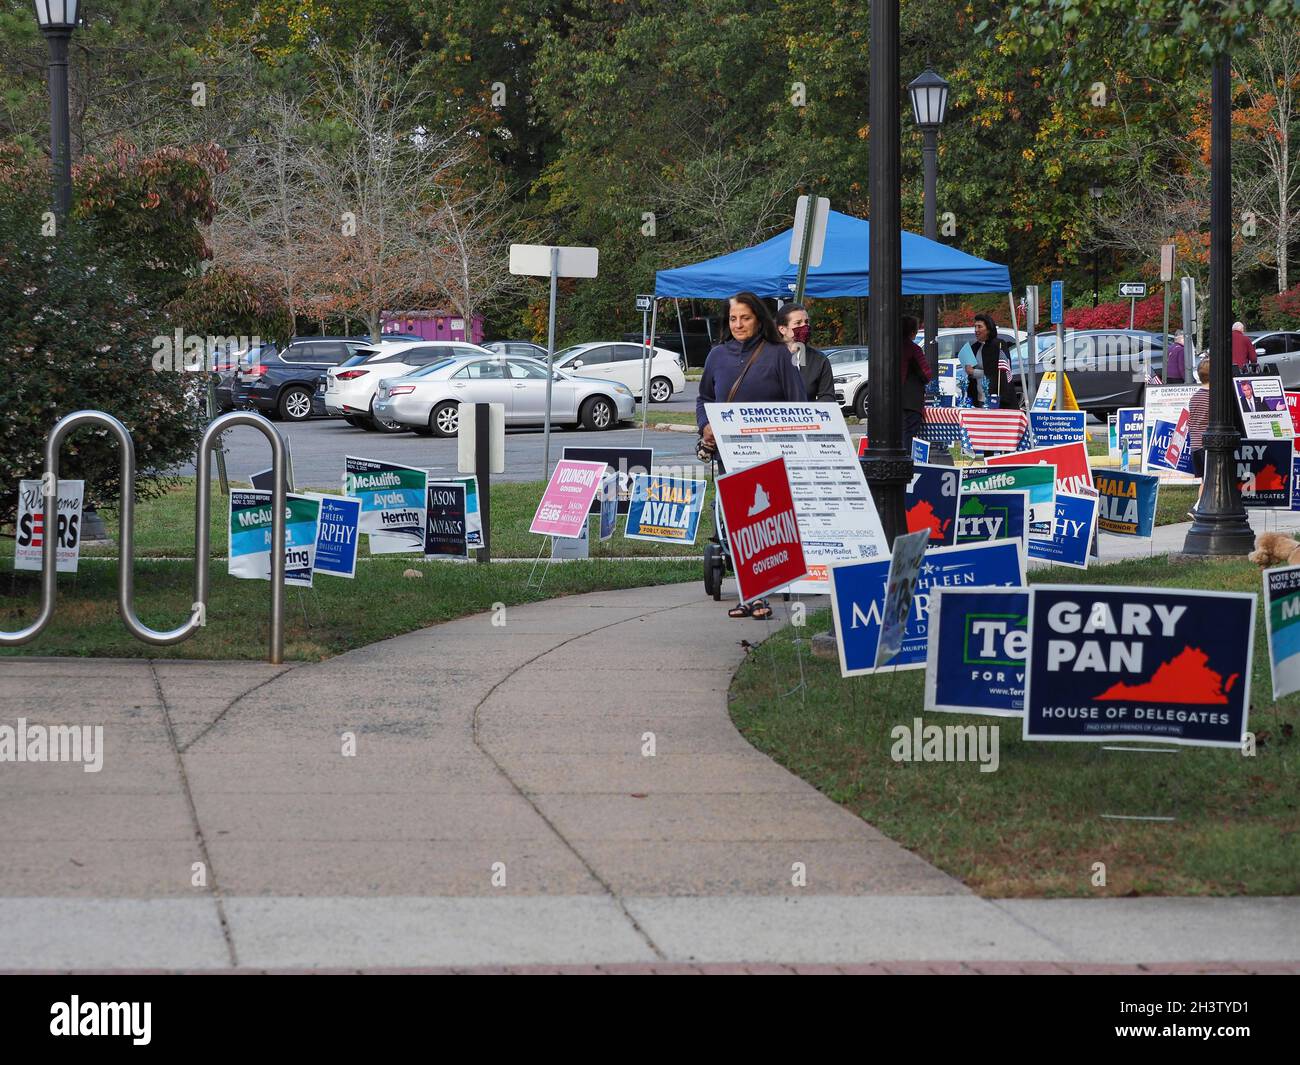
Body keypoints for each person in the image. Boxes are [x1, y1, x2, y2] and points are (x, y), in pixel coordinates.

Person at [697, 292, 807, 621]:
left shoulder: (777, 356)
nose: (739, 324)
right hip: (730, 458)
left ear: (758, 319)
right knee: (736, 527)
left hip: (770, 458)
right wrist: (705, 427)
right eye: (733, 318)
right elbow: (704, 397)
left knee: (762, 528)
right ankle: (751, 597)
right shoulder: (717, 356)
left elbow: (798, 404)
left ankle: (759, 598)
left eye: (745, 317)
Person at [774, 303, 836, 402]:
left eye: (806, 322)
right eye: (798, 323)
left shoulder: (819, 360)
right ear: (782, 329)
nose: (805, 326)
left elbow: (828, 397)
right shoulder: (768, 358)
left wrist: (810, 411)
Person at [967, 313, 1017, 407]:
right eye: (975, 327)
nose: (976, 330)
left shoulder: (998, 345)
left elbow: (996, 374)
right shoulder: (975, 347)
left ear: (988, 329)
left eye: (980, 327)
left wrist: (974, 372)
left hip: (995, 398)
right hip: (978, 398)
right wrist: (969, 370)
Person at [900, 314, 932, 444]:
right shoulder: (913, 349)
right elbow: (926, 374)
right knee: (907, 438)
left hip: (889, 401)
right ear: (913, 332)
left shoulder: (887, 347)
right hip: (910, 402)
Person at [1188, 357, 1211, 480]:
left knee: (1204, 481)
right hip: (1208, 446)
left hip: (1195, 445)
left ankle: (1201, 500)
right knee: (1213, 480)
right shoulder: (1212, 397)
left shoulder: (1194, 398)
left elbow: (1190, 421)